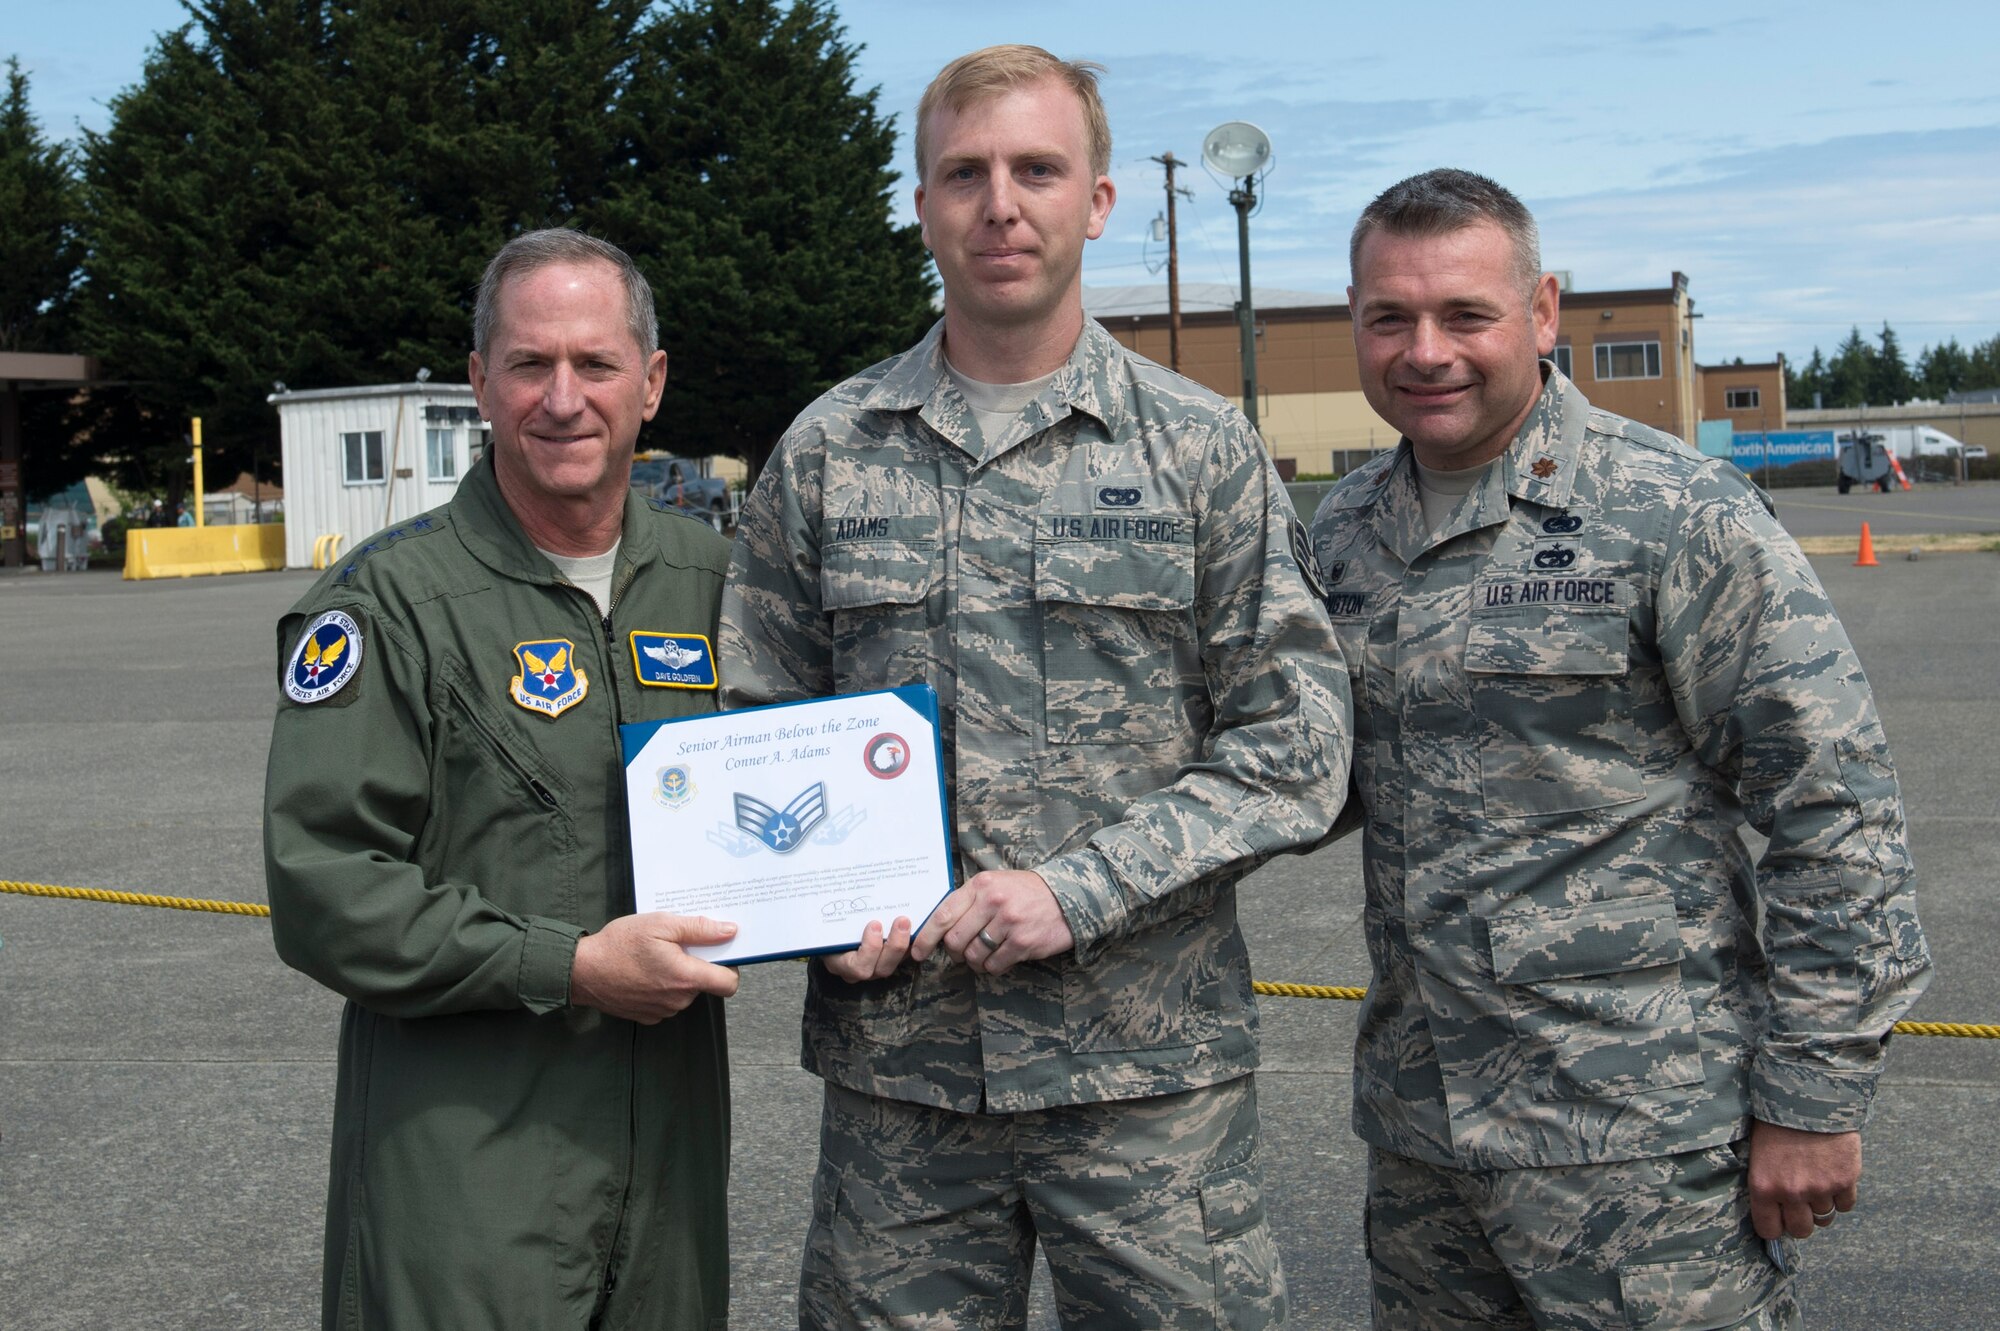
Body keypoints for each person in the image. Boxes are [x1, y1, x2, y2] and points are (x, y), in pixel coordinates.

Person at [720, 44, 1350, 1331]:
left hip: (1146, 1082)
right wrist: (805, 908)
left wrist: (1080, 889)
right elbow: (753, 722)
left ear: (1097, 201)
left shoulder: (1197, 451)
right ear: (922, 205)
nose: (999, 203)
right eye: (964, 173)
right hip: (902, 1085)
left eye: (1035, 169)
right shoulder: (829, 450)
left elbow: (1297, 740)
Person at [1308, 168, 1932, 1329]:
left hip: (1639, 1138)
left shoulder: (1673, 513)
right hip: (1421, 1141)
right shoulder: (1341, 536)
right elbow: (1291, 771)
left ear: (1541, 313)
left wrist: (1812, 1090)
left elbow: (1832, 806)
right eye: (1387, 316)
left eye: (1465, 315)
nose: (1424, 349)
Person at [265, 229, 740, 1329]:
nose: (563, 398)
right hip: (467, 1174)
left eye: (596, 363)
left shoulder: (720, 582)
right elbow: (323, 884)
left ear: (652, 383)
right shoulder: (387, 604)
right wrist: (567, 964)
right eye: (529, 364)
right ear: (478, 383)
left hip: (669, 1169)